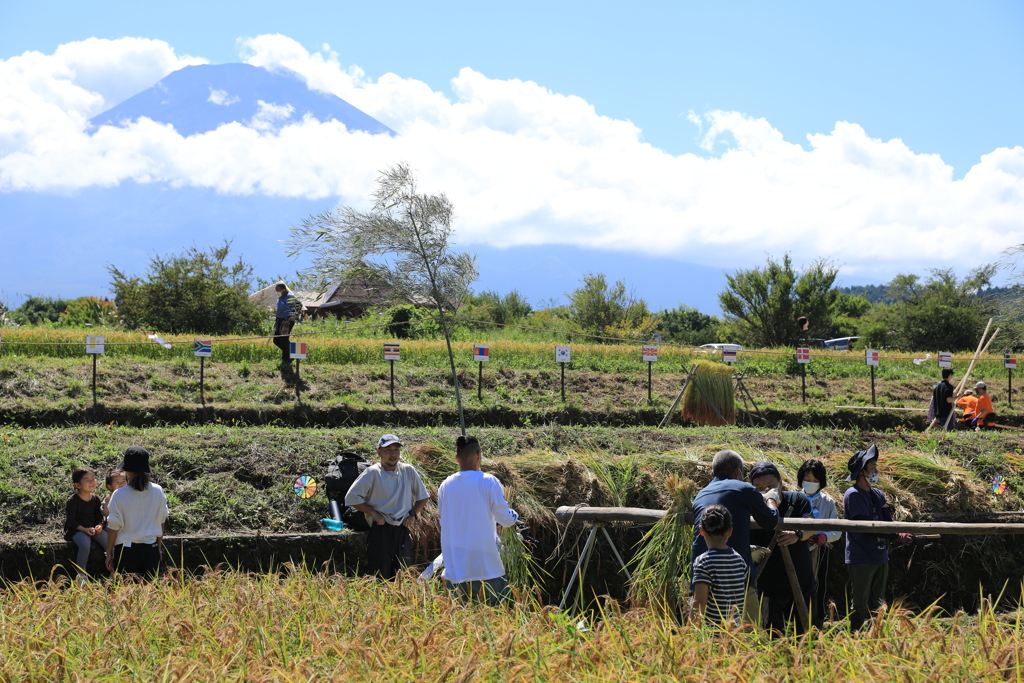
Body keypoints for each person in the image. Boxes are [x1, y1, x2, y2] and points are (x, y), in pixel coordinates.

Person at [692, 449, 779, 624]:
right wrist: (772, 499)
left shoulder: (700, 494)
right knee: (748, 636)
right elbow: (771, 522)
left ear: (712, 473)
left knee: (706, 639)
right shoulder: (745, 489)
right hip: (737, 581)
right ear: (738, 471)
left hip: (702, 577)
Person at [437, 435, 519, 605]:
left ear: (457, 458)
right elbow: (505, 519)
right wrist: (515, 515)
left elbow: (444, 521)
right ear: (478, 454)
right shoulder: (488, 481)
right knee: (496, 622)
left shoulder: (445, 485)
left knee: (461, 624)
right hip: (486, 570)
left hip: (455, 571)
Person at [843, 444, 913, 631]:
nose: (876, 471)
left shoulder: (877, 494)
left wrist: (897, 533)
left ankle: (877, 638)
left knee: (878, 604)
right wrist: (896, 536)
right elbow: (866, 527)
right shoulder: (854, 495)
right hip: (861, 557)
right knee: (859, 604)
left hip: (880, 555)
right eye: (872, 468)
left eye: (876, 467)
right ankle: (855, 637)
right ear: (861, 471)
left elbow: (886, 522)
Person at [345, 434, 430, 579]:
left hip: (402, 529)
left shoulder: (407, 470)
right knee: (380, 575)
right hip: (380, 528)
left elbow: (423, 497)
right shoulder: (372, 472)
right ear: (379, 451)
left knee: (403, 576)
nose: (393, 454)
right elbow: (351, 498)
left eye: (396, 449)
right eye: (388, 450)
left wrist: (413, 514)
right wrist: (373, 513)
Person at [748, 461, 816, 635]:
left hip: (800, 580)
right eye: (759, 488)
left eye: (770, 485)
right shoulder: (751, 507)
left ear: (780, 482)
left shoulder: (796, 499)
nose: (766, 491)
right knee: (773, 637)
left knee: (804, 635)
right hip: (768, 585)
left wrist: (797, 535)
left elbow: (811, 526)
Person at [105, 446, 169, 580]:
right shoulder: (158, 490)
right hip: (151, 549)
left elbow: (114, 526)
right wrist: (159, 547)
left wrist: (109, 553)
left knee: (126, 596)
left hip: (126, 551)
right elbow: (162, 520)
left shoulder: (120, 494)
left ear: (127, 470)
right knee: (151, 595)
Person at [796, 458, 843, 628]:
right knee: (796, 584)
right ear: (801, 478)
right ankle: (796, 621)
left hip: (820, 551)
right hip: (797, 549)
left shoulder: (827, 501)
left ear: (821, 482)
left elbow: (836, 530)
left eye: (815, 481)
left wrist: (824, 536)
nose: (811, 483)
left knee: (818, 585)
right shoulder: (794, 497)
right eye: (807, 479)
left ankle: (817, 622)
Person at [691, 504, 748, 626]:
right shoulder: (739, 559)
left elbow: (700, 602)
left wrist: (689, 634)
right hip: (734, 632)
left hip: (712, 636)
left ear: (701, 530)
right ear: (730, 531)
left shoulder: (703, 561)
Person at [65, 467, 109, 585]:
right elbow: (71, 521)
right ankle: (81, 576)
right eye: (86, 479)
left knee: (109, 543)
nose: (92, 482)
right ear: (78, 485)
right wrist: (84, 529)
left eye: (93, 478)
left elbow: (99, 516)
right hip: (77, 529)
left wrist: (99, 525)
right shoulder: (73, 500)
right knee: (85, 545)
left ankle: (113, 572)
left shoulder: (95, 499)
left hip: (93, 528)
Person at [272, 281, 301, 366]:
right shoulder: (280, 298)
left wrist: (293, 316)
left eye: (278, 289)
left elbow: (299, 305)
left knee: (284, 340)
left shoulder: (290, 296)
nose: (277, 291)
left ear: (282, 289)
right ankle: (291, 353)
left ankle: (286, 360)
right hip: (279, 320)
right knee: (276, 340)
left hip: (287, 321)